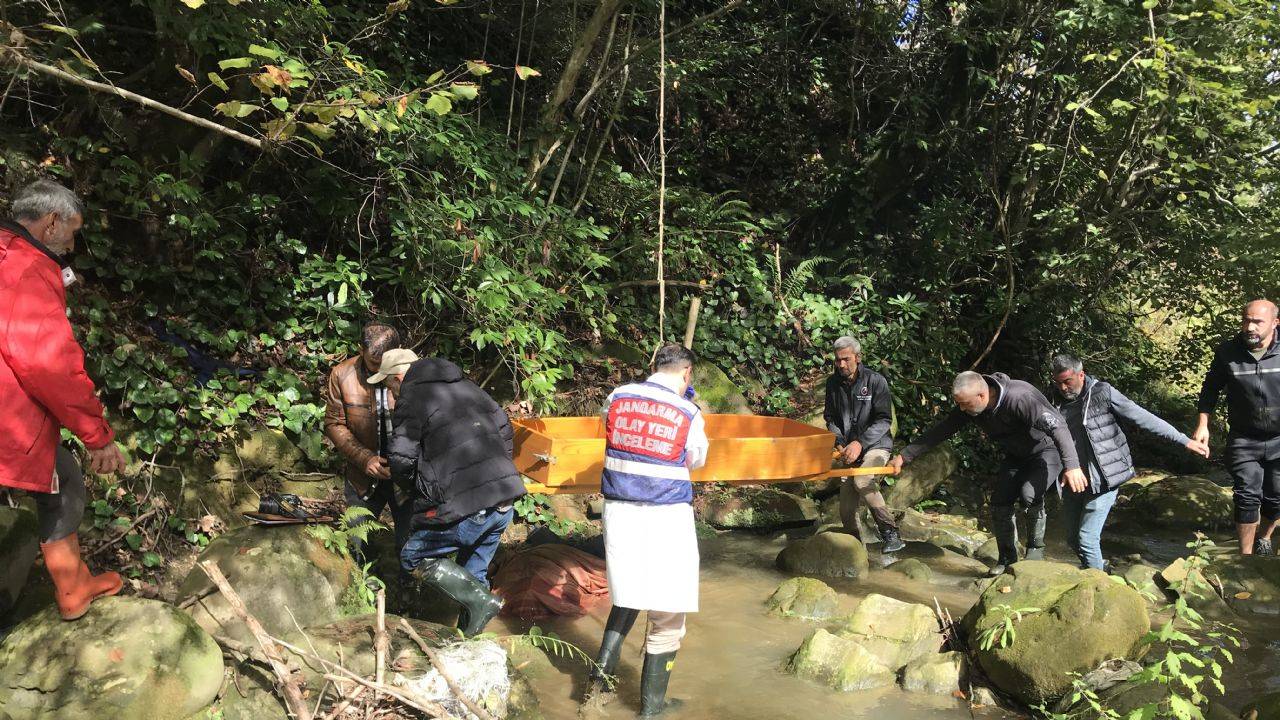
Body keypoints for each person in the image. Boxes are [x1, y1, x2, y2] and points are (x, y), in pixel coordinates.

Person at [0, 179, 127, 620]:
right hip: (8, 412)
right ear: (51, 223)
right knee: (64, 483)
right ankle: (73, 592)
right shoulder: (28, 268)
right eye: (72, 232)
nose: (72, 246)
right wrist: (97, 436)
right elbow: (48, 364)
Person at [585, 344, 710, 717]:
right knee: (668, 615)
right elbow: (696, 459)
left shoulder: (618, 396)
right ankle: (651, 710)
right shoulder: (688, 411)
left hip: (619, 514)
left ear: (653, 366)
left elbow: (608, 427)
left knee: (627, 594)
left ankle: (597, 688)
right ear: (687, 375)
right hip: (665, 518)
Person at [381, 348, 526, 636]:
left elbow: (401, 459)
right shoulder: (468, 387)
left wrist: (417, 488)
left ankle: (483, 601)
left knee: (412, 556)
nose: (391, 395)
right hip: (504, 500)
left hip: (468, 505)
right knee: (475, 573)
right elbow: (506, 431)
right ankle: (468, 642)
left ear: (398, 378)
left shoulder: (412, 397)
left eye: (388, 387)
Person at [890, 371, 1085, 576]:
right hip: (1016, 454)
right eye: (959, 404)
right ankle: (1007, 558)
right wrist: (904, 456)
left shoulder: (1020, 398)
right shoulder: (971, 406)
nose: (962, 408)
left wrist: (1072, 466)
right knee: (1000, 501)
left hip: (1046, 450)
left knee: (1029, 494)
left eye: (965, 403)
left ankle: (1035, 553)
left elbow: (1058, 427)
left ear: (981, 396)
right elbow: (943, 429)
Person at [1050, 353, 1210, 569]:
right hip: (1072, 478)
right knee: (1072, 539)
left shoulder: (1102, 392)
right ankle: (1100, 569)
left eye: (1067, 381)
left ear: (1081, 374)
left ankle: (1099, 590)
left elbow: (1141, 416)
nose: (1063, 388)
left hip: (1105, 476)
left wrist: (1183, 440)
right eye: (1058, 383)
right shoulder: (1051, 400)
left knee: (1087, 539)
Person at [1195, 299, 1280, 555]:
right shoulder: (1227, 352)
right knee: (1246, 495)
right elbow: (1210, 389)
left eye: (1257, 322)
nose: (1250, 327)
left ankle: (1264, 538)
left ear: (1275, 323)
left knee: (1276, 498)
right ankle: (1245, 560)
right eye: (1246, 320)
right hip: (1244, 438)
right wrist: (1203, 425)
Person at [323, 323, 413, 561]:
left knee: (410, 544)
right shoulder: (342, 375)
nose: (379, 371)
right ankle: (363, 590)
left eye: (385, 364)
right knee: (356, 542)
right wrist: (365, 458)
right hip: (361, 476)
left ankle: (408, 590)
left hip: (405, 474)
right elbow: (334, 423)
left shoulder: (412, 373)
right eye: (374, 363)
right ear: (360, 350)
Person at [823, 336, 904, 551]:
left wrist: (859, 443)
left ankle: (891, 533)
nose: (841, 364)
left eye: (846, 359)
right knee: (846, 509)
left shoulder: (876, 381)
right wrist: (840, 443)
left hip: (876, 445)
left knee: (862, 480)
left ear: (858, 358)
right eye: (837, 360)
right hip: (848, 449)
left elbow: (884, 420)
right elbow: (830, 418)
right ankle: (857, 550)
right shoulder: (832, 383)